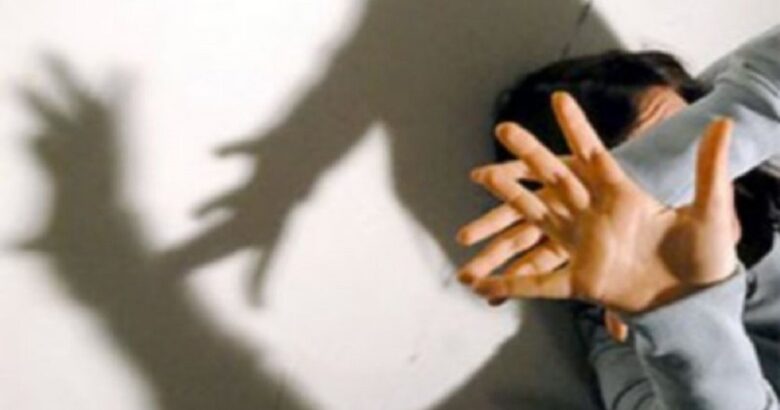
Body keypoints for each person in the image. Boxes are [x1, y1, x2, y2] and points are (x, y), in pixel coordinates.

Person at [456, 25, 780, 409]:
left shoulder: (757, 164)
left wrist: (652, 173)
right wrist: (681, 312)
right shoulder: (628, 346)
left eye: (683, 136)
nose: (707, 187)